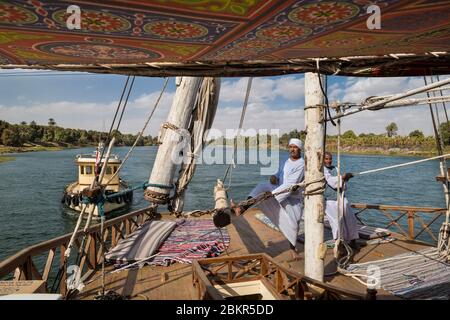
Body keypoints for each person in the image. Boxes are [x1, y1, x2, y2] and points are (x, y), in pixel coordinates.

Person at [231, 138, 305, 256]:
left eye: (295, 147)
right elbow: (278, 174)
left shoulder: (302, 164)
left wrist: (273, 194)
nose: (292, 149)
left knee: (294, 225)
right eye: (290, 147)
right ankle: (242, 207)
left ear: (300, 149)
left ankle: (292, 248)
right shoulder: (286, 162)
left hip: (292, 196)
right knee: (261, 186)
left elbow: (291, 184)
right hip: (279, 189)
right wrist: (274, 177)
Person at [323, 152, 359, 247]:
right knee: (336, 222)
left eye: (330, 159)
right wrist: (343, 177)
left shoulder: (335, 168)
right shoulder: (322, 170)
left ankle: (353, 240)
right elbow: (331, 181)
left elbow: (341, 183)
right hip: (330, 200)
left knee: (350, 218)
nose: (328, 161)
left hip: (341, 196)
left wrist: (346, 179)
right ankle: (339, 244)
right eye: (326, 159)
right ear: (322, 160)